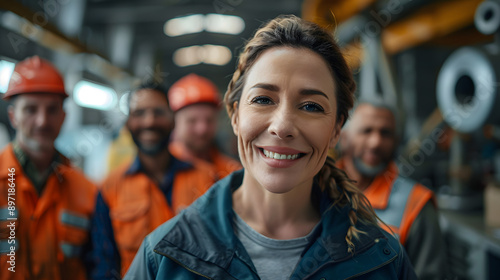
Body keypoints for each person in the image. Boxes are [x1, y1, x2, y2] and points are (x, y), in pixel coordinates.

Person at [125, 15, 416, 280]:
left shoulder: (382, 261)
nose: (283, 126)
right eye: (263, 99)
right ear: (236, 115)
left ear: (336, 130)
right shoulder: (163, 258)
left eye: (311, 106)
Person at [89, 81, 214, 279]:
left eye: (158, 112)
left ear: (173, 120)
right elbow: (105, 264)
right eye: (139, 114)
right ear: (128, 123)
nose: (149, 122)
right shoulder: (109, 188)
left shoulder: (208, 180)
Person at [0, 56, 97, 279]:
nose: (42, 121)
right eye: (31, 110)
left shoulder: (86, 190)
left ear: (63, 117)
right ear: (13, 117)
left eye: (52, 110)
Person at [337, 100, 448, 280]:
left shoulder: (416, 203)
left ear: (396, 142)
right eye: (366, 131)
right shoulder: (313, 189)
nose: (375, 142)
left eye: (385, 133)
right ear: (343, 139)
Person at [168, 73, 241, 183]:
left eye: (209, 120)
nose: (202, 129)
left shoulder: (232, 171)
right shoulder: (159, 170)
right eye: (192, 121)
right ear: (173, 122)